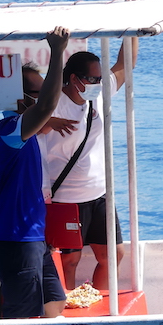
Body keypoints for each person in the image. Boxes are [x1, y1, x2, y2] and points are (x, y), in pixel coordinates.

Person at [0, 27, 72, 318]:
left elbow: (46, 111)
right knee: (22, 314)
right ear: (19, 98)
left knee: (54, 303)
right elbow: (47, 106)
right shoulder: (11, 130)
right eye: (36, 93)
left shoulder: (21, 132)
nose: (43, 100)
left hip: (31, 236)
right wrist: (58, 50)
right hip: (15, 237)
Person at [41, 39, 139, 290]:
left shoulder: (99, 95)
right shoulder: (51, 104)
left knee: (112, 255)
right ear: (74, 79)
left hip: (99, 193)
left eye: (100, 78)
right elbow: (26, 127)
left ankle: (99, 302)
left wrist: (131, 30)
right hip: (66, 196)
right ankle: (66, 308)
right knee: (69, 260)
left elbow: (126, 65)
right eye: (93, 79)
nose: (99, 83)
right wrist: (49, 122)